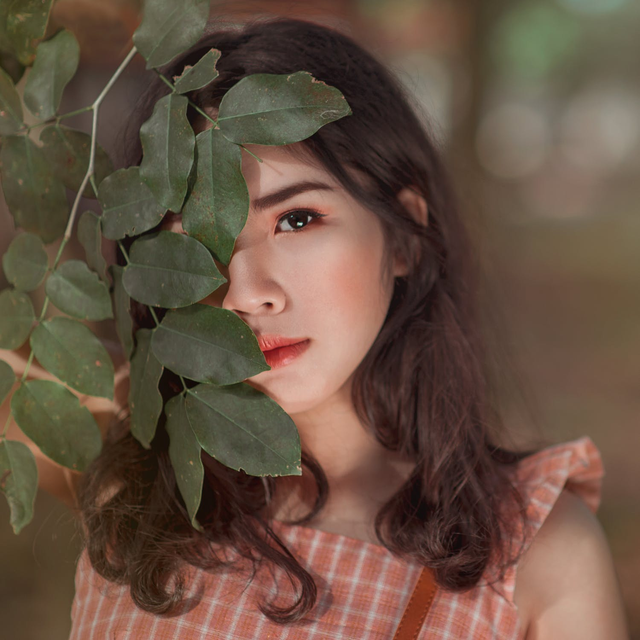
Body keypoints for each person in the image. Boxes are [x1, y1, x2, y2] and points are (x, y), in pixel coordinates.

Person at [1, 15, 629, 640]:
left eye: (297, 220)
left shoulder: (536, 556)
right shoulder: (121, 462)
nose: (248, 294)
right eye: (197, 243)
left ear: (406, 236)